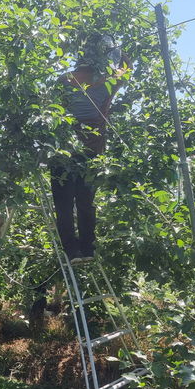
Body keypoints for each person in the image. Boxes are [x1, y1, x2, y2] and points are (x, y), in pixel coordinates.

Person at [51, 35, 131, 264]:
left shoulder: (65, 79)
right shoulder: (109, 80)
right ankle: (88, 248)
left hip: (64, 148)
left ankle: (72, 251)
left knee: (64, 203)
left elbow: (52, 110)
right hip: (92, 148)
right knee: (86, 200)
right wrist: (115, 50)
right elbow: (127, 66)